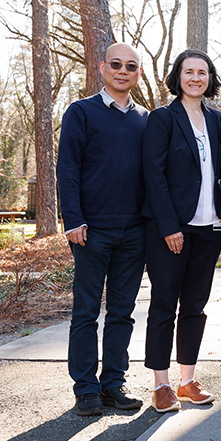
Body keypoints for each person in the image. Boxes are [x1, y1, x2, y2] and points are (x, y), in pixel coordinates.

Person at [56, 43, 149, 416]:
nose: (122, 70)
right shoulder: (81, 112)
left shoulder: (146, 118)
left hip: (135, 232)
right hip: (91, 231)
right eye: (116, 64)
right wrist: (73, 218)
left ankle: (113, 383)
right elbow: (68, 170)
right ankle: (85, 389)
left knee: (123, 312)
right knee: (86, 312)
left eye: (130, 66)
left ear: (137, 72)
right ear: (102, 68)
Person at [141, 50, 221, 412]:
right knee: (164, 305)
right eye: (189, 71)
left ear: (210, 78)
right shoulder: (162, 118)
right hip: (171, 231)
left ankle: (187, 380)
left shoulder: (217, 120)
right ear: (177, 75)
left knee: (195, 305)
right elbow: (153, 175)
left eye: (203, 72)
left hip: (209, 229)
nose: (196, 78)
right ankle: (161, 385)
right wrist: (169, 227)